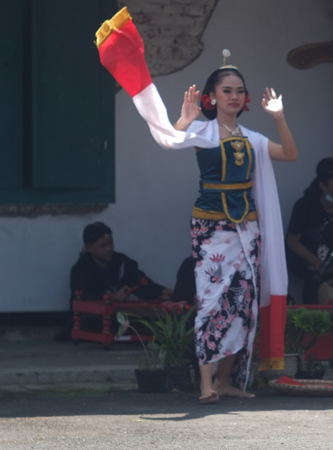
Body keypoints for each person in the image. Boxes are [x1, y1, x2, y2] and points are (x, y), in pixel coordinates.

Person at [96, 12, 297, 405]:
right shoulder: (202, 132)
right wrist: (184, 119)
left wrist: (279, 116)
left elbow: (289, 153)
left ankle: (225, 380)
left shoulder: (254, 138)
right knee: (210, 303)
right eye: (227, 90)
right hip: (211, 231)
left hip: (247, 230)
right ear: (212, 97)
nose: (234, 96)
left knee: (242, 305)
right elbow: (169, 139)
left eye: (240, 90)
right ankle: (206, 383)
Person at [286, 157, 333, 304]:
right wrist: (315, 261)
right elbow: (292, 242)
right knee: (315, 281)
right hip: (307, 261)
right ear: (323, 185)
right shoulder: (304, 206)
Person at [70, 222, 171, 302]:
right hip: (94, 320)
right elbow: (83, 296)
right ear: (89, 248)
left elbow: (140, 281)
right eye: (103, 245)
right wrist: (112, 296)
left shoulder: (122, 262)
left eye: (111, 243)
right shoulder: (80, 270)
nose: (109, 249)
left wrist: (162, 291)